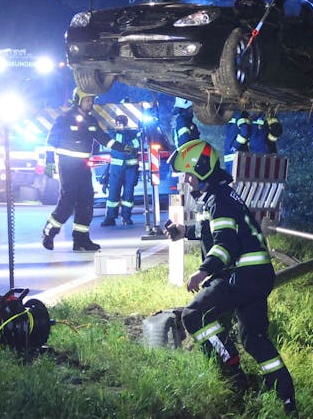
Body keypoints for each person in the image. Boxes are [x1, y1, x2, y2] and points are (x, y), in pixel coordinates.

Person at [163, 139, 296, 413]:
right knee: (253, 338)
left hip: (243, 275)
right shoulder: (221, 195)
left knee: (194, 316)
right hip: (257, 276)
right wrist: (182, 231)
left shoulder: (219, 200)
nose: (187, 181)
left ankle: (232, 373)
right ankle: (286, 400)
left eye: (189, 174)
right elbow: (213, 232)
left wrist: (203, 271)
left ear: (202, 169)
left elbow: (226, 245)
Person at [41, 88, 109, 252]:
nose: (90, 103)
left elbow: (104, 138)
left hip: (83, 166)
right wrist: (49, 162)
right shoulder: (64, 118)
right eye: (87, 100)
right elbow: (51, 141)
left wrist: (124, 148)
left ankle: (81, 240)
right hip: (67, 165)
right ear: (78, 100)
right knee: (68, 201)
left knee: (86, 202)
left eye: (92, 100)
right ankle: (49, 232)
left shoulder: (91, 120)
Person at [100, 107, 141, 227]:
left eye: (121, 123)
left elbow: (136, 145)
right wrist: (126, 136)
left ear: (126, 124)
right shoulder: (114, 133)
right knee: (113, 193)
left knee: (128, 194)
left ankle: (126, 217)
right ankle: (110, 218)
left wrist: (127, 135)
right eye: (118, 123)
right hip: (116, 169)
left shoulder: (133, 133)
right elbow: (118, 142)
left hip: (130, 169)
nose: (119, 125)